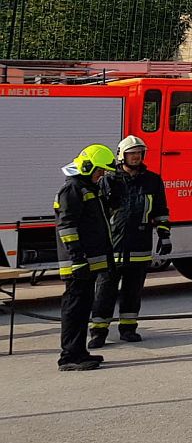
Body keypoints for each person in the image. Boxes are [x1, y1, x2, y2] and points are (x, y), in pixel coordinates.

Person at [89, 135, 171, 348]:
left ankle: (128, 328)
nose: (135, 157)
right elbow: (98, 212)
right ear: (121, 156)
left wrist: (164, 234)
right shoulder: (109, 180)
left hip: (140, 245)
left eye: (138, 153)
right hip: (112, 246)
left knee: (132, 291)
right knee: (105, 290)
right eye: (131, 153)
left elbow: (160, 210)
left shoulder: (152, 180)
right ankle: (98, 331)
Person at [54, 144, 116, 371]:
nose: (101, 175)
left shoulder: (88, 188)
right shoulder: (72, 189)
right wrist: (77, 258)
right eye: (99, 171)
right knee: (74, 308)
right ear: (87, 166)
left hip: (88, 262)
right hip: (78, 263)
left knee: (82, 309)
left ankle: (80, 352)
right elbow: (67, 227)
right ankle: (69, 357)